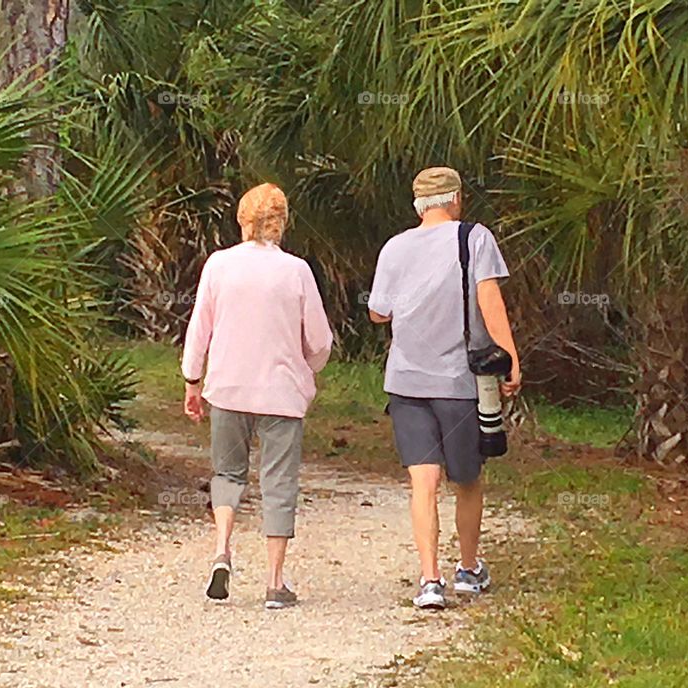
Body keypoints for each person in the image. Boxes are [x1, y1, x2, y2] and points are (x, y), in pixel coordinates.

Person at [368, 167, 520, 609]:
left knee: (423, 481)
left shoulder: (395, 247)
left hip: (406, 382)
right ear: (455, 199)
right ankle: (469, 570)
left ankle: (429, 579)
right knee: (467, 478)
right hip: (458, 382)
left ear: (418, 205)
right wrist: (509, 357)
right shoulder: (474, 238)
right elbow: (489, 298)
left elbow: (378, 312)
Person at [181, 183, 333, 610]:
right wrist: (309, 365)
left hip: (227, 388)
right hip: (281, 395)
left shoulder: (219, 265)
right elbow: (319, 341)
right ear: (282, 223)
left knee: (227, 474)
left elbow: (200, 328)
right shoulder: (297, 271)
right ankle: (274, 581)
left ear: (241, 219)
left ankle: (222, 550)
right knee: (278, 482)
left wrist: (193, 380)